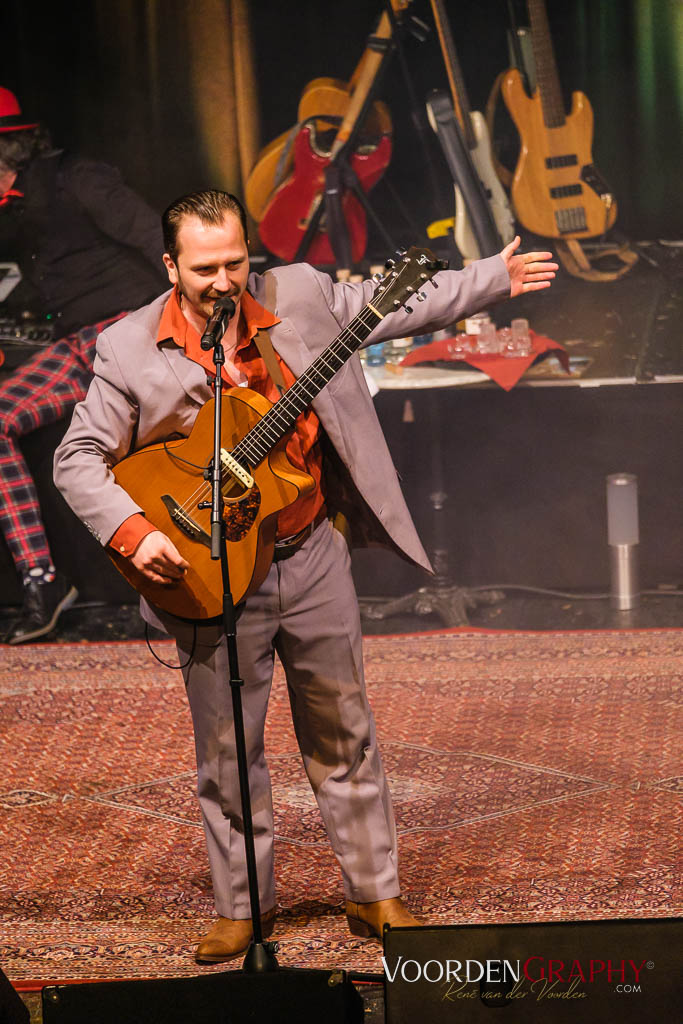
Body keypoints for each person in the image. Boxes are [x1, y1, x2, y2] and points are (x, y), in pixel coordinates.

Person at [54, 189, 556, 962]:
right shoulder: (127, 346)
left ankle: (374, 893)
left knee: (343, 729)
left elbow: (399, 303)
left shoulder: (301, 295)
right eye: (205, 269)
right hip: (209, 567)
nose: (226, 283)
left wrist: (492, 276)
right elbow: (77, 458)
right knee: (227, 746)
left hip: (309, 550)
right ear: (169, 266)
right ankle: (242, 907)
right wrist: (134, 531)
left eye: (235, 263)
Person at [0, 86, 167, 644]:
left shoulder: (77, 177)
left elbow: (159, 239)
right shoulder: (14, 207)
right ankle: (43, 581)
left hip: (132, 332)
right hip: (79, 347)